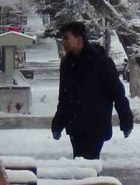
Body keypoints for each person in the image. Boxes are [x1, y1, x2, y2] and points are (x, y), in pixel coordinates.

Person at [51, 22, 133, 160]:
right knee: (79, 163)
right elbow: (64, 97)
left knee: (88, 163)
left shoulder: (101, 62)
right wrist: (58, 124)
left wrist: (126, 121)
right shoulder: (67, 64)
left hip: (96, 124)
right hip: (75, 125)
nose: (63, 42)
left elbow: (118, 94)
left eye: (66, 38)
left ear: (79, 39)